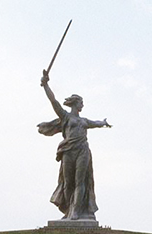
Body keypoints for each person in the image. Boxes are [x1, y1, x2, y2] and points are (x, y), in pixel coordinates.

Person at [38, 70, 111, 221]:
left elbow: (96, 123)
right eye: (81, 102)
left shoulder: (83, 121)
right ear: (75, 103)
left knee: (80, 181)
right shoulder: (65, 117)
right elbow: (54, 102)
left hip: (82, 151)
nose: (83, 105)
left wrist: (103, 123)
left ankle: (76, 212)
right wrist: (46, 85)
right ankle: (69, 210)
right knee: (68, 183)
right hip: (68, 151)